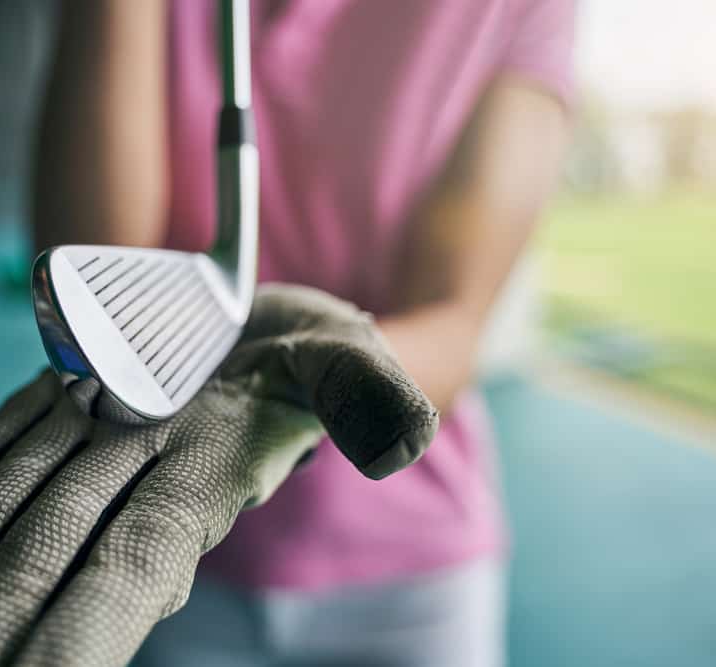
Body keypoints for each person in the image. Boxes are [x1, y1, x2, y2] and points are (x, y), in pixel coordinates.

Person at [29, 1, 574, 665]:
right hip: (172, 555)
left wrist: (288, 376)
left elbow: (455, 324)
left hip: (414, 564)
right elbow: (95, 281)